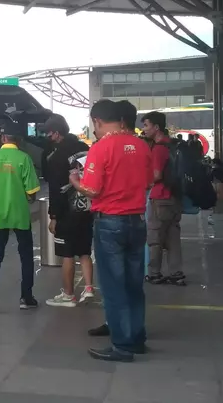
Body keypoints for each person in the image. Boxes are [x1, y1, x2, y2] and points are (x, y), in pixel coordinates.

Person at [68, 99, 153, 362]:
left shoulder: (101, 147)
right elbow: (150, 181)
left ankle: (122, 346)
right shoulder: (141, 145)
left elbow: (92, 190)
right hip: (137, 221)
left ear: (97, 121)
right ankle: (137, 339)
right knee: (133, 284)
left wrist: (74, 180)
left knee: (114, 286)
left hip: (110, 223)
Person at [0, 131, 42, 314]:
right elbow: (31, 190)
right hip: (20, 214)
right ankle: (26, 297)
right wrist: (29, 197)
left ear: (2, 138)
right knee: (25, 255)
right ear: (18, 140)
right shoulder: (24, 158)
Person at [42, 114, 93, 307]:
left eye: (48, 133)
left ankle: (69, 295)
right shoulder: (84, 148)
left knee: (68, 254)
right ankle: (88, 289)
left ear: (56, 133)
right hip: (87, 207)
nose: (47, 137)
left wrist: (53, 216)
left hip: (67, 211)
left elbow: (55, 189)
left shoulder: (56, 156)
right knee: (85, 251)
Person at [141, 111, 184, 285]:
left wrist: (144, 183)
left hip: (160, 198)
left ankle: (154, 273)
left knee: (155, 237)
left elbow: (157, 175)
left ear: (156, 127)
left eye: (146, 125)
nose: (144, 129)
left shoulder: (159, 148)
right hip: (175, 197)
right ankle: (176, 273)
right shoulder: (173, 145)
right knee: (173, 237)